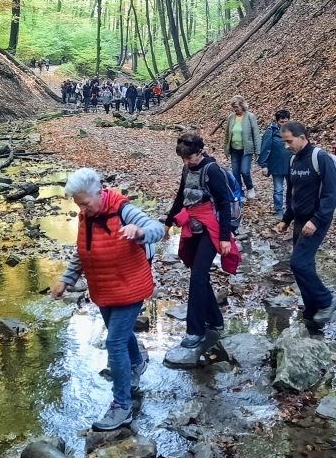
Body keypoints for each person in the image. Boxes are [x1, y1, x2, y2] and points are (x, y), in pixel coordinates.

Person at [52, 169, 165, 431]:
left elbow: (157, 229)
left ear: (99, 193)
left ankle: (121, 406)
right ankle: (136, 363)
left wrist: (138, 232)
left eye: (85, 203)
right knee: (122, 337)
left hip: (130, 287)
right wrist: (66, 280)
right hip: (103, 289)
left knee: (114, 342)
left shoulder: (123, 209)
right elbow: (83, 251)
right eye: (78, 204)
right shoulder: (85, 215)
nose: (82, 208)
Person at [165, 133, 237, 351]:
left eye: (190, 159)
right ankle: (215, 320)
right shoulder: (187, 167)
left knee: (197, 276)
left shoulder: (212, 170)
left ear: (200, 152)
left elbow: (226, 203)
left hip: (211, 228)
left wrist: (225, 237)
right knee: (198, 274)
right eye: (183, 160)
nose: (187, 163)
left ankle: (194, 330)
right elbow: (180, 196)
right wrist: (167, 222)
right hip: (192, 225)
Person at [274, 122, 336, 331]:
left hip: (317, 220)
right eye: (284, 142)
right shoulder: (294, 159)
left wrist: (317, 220)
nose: (287, 146)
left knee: (298, 263)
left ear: (302, 137)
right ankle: (312, 310)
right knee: (305, 265)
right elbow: (292, 193)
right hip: (301, 219)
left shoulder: (320, 158)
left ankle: (327, 300)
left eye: (289, 141)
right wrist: (286, 219)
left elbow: (332, 195)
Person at [257, 109, 291, 220]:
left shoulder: (293, 130)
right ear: (277, 121)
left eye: (286, 121)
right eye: (282, 122)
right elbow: (265, 148)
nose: (284, 124)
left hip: (291, 165)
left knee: (292, 188)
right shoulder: (271, 131)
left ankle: (291, 209)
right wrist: (264, 165)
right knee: (278, 189)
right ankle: (279, 210)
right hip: (276, 165)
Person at [226, 96, 260, 199]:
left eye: (236, 107)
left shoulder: (250, 116)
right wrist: (226, 149)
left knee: (244, 171)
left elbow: (256, 134)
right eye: (233, 107)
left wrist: (257, 151)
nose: (235, 109)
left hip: (246, 149)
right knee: (235, 173)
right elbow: (227, 135)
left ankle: (250, 188)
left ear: (242, 105)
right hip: (234, 150)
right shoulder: (231, 118)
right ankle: (239, 192)